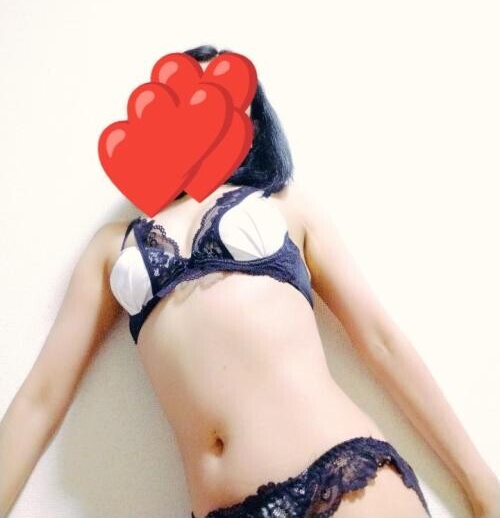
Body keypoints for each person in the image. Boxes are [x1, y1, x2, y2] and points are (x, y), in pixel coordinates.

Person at [1, 44, 499, 518]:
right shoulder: (112, 246)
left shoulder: (284, 205)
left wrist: (482, 489)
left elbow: (381, 341)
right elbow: (41, 397)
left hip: (339, 478)